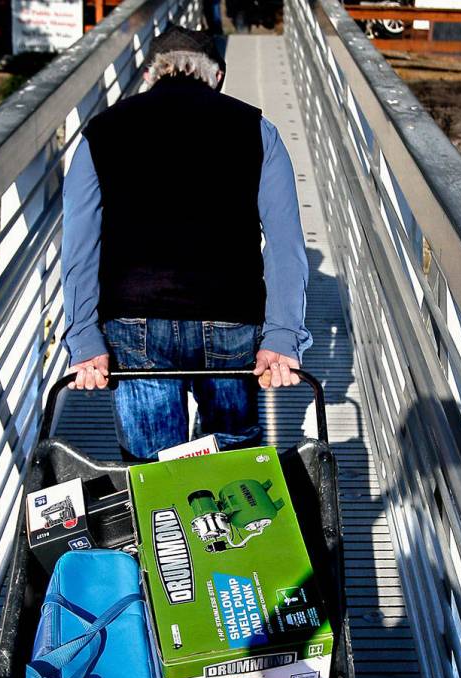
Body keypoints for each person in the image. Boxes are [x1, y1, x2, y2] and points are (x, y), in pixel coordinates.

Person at [60, 25, 312, 460]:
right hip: (229, 314)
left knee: (151, 468)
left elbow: (80, 247)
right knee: (235, 460)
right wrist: (281, 337)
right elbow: (286, 246)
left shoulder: (100, 134)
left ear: (150, 76)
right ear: (217, 77)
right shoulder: (257, 131)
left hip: (134, 318)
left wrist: (84, 339)